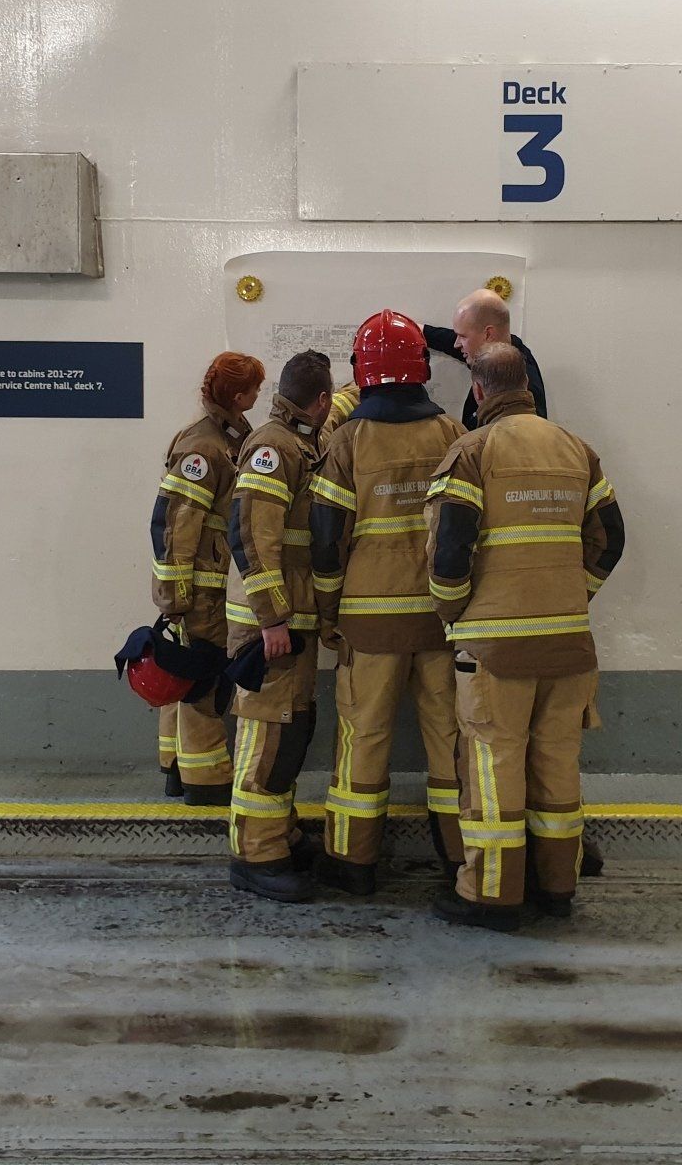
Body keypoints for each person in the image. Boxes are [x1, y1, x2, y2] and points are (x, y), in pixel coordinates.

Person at [423, 342, 625, 931]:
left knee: (493, 763)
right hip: (568, 645)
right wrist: (574, 594)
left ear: (479, 391)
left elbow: (448, 553)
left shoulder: (470, 453)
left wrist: (453, 613)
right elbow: (610, 539)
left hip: (494, 651)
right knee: (558, 764)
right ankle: (556, 885)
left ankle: (490, 894)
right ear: (527, 385)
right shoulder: (577, 450)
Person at [309, 310, 466, 893]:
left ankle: (353, 863)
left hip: (368, 626)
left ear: (361, 372)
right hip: (438, 621)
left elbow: (327, 540)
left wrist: (329, 616)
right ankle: (461, 859)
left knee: (363, 738)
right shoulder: (451, 433)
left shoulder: (348, 441)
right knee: (450, 741)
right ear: (421, 368)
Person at [224, 349, 334, 902]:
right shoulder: (273, 447)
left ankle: (280, 834)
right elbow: (251, 534)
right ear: (319, 401)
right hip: (272, 628)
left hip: (293, 624)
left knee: (290, 731)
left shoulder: (300, 440)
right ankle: (255, 853)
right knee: (267, 735)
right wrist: (271, 619)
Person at [148, 350, 264, 805]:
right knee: (202, 678)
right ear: (239, 395)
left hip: (208, 583)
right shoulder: (204, 447)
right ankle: (205, 778)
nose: (259, 394)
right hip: (201, 587)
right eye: (255, 387)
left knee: (186, 670)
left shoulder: (227, 436)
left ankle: (177, 767)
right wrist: (175, 594)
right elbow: (177, 524)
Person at [424, 288, 547, 431]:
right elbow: (449, 340)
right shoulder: (501, 352)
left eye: (463, 336)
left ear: (488, 334)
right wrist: (418, 330)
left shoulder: (525, 389)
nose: (456, 344)